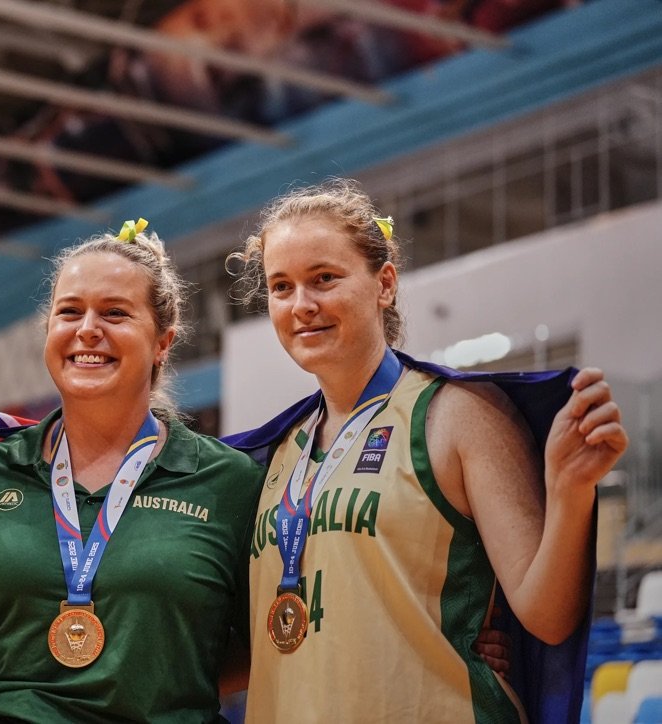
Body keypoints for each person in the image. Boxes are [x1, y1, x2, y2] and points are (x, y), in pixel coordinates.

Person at [225, 179, 628, 722]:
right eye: (281, 286)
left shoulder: (458, 414)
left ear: (384, 283)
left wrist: (570, 491)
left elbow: (546, 616)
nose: (303, 305)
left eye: (324, 278)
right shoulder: (275, 454)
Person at [0, 220, 265, 722]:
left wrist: (159, 686)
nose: (88, 329)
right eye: (69, 311)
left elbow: (258, 646)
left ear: (163, 341)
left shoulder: (231, 484)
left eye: (115, 313)